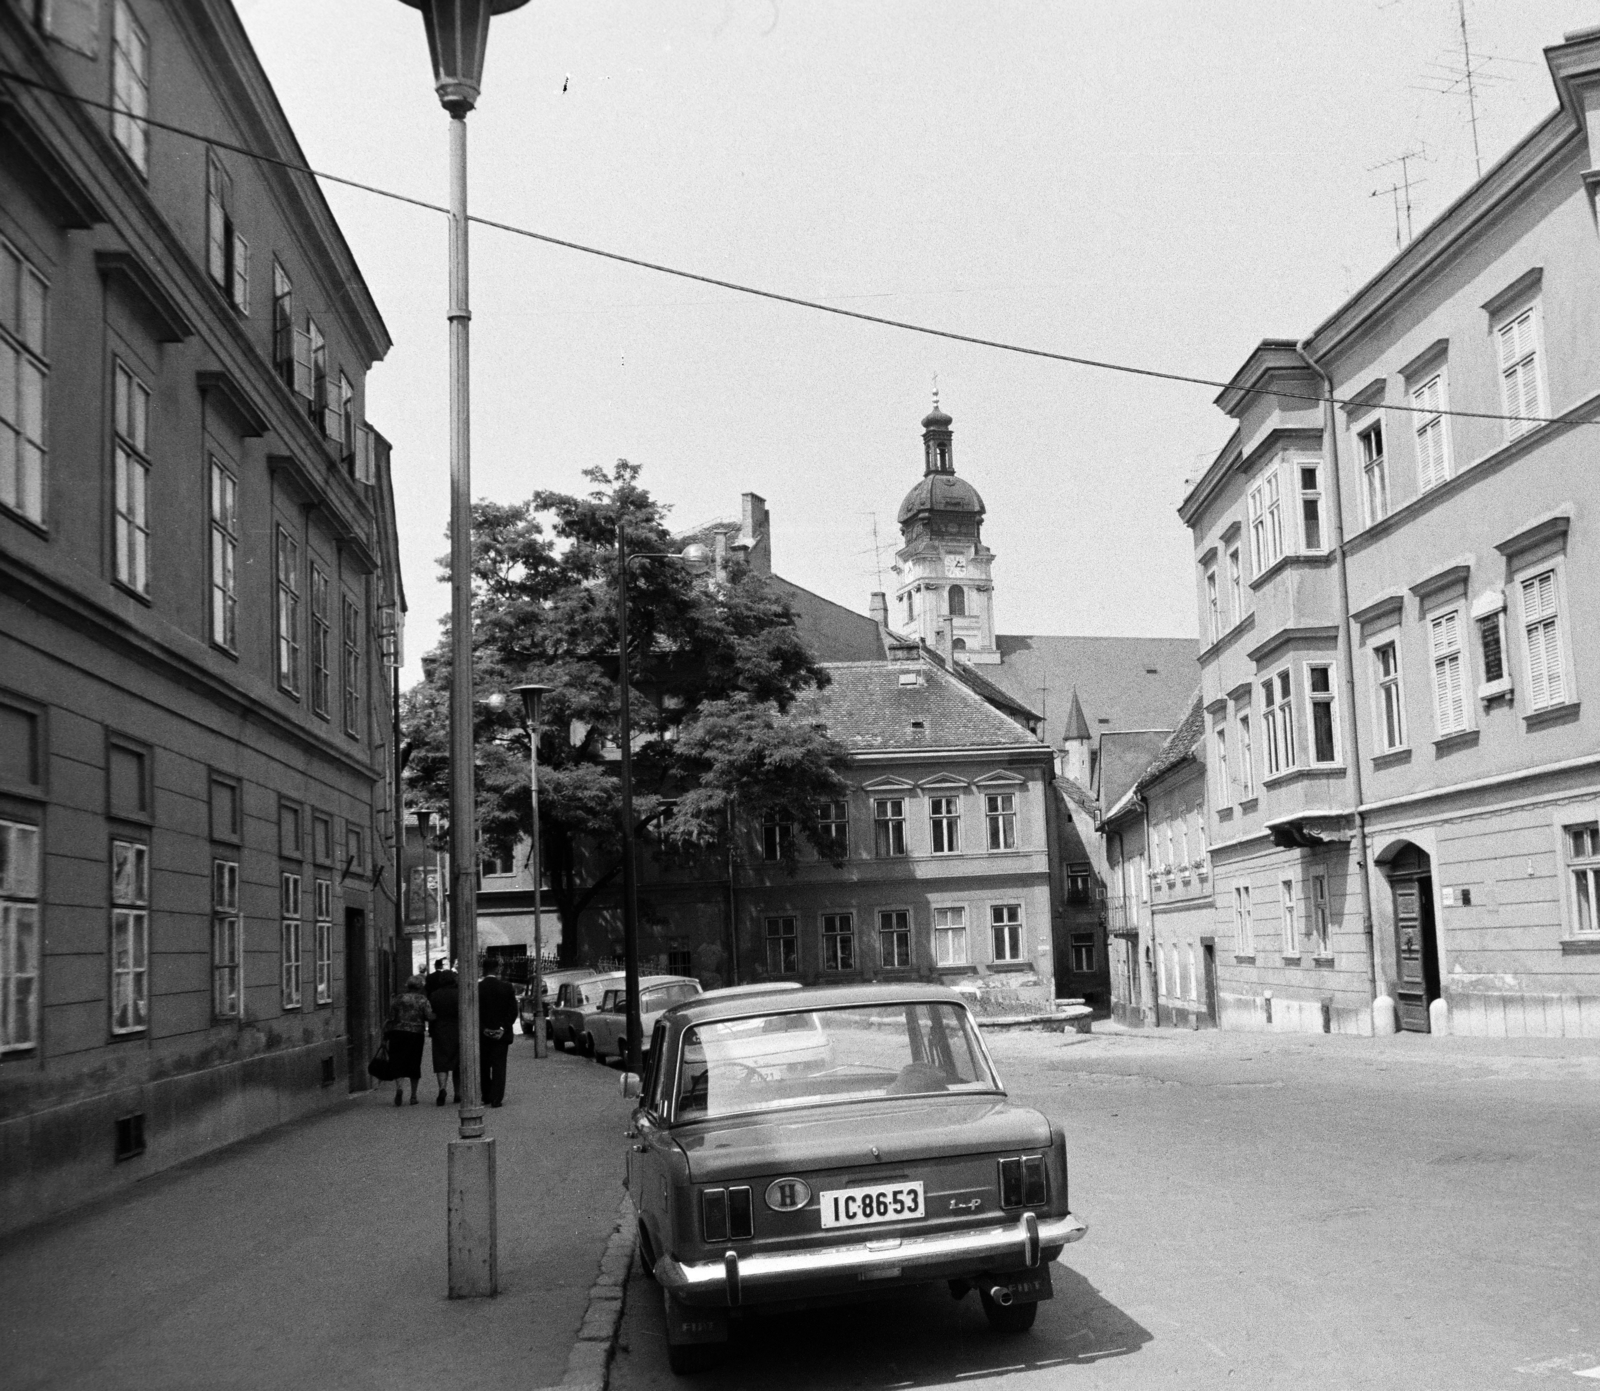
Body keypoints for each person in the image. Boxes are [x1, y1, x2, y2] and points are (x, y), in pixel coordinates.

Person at [383, 974, 435, 1106]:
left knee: (398, 1061)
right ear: (420, 987)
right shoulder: (422, 1000)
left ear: (407, 986)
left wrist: (386, 1034)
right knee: (414, 1062)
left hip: (398, 1033)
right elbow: (429, 1016)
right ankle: (413, 1096)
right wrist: (436, 1016)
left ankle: (399, 1088)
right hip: (415, 1034)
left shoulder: (398, 998)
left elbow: (390, 1016)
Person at [478, 957, 519, 1108]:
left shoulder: (478, 988)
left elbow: (474, 1012)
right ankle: (496, 1098)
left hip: (483, 1035)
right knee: (499, 1066)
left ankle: (486, 1095)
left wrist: (484, 1029)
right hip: (501, 1035)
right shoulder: (507, 987)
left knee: (483, 1065)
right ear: (497, 969)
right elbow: (513, 1011)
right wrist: (502, 1028)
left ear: (483, 969)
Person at [427, 966, 460, 1107]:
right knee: (458, 1062)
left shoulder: (434, 995)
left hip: (440, 1030)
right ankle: (458, 1093)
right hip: (457, 1030)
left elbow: (430, 1014)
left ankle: (442, 1088)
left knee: (441, 1061)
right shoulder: (459, 994)